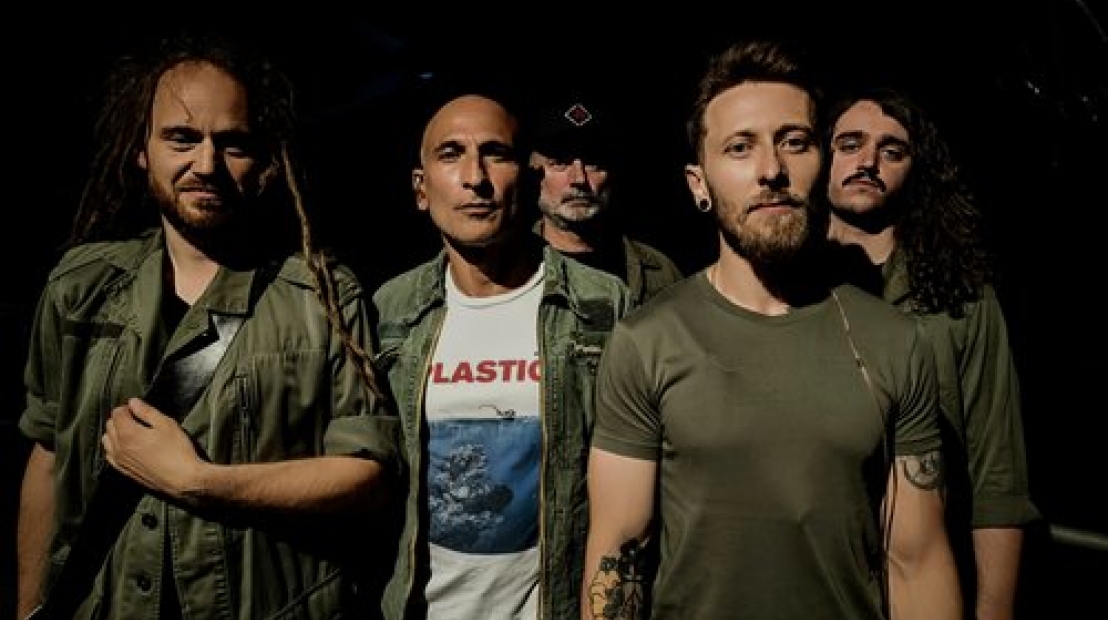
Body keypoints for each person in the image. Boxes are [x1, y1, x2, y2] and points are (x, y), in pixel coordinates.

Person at [15, 29, 399, 620]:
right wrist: (29, 608)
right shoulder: (80, 289)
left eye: (232, 143)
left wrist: (196, 481)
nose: (206, 164)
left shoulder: (322, 298)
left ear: (263, 161)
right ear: (141, 149)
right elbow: (47, 455)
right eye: (182, 138)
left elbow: (369, 474)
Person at [581, 38, 962, 620]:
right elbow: (619, 551)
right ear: (698, 183)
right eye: (740, 147)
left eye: (795, 142)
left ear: (821, 162)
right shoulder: (646, 342)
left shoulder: (895, 342)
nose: (772, 171)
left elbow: (918, 561)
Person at [370, 87, 633, 620]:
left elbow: (630, 499)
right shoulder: (390, 310)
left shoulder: (601, 304)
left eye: (496, 153)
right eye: (451, 154)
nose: (475, 177)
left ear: (528, 180)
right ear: (421, 189)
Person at [823, 85, 1040, 620]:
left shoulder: (962, 297)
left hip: (926, 583)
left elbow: (998, 477)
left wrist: (993, 612)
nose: (868, 162)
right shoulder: (780, 284)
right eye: (850, 144)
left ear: (916, 171)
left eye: (892, 151)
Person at [528, 94, 684, 306]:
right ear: (532, 172)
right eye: (560, 163)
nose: (579, 179)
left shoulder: (659, 274)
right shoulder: (507, 270)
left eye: (593, 163)